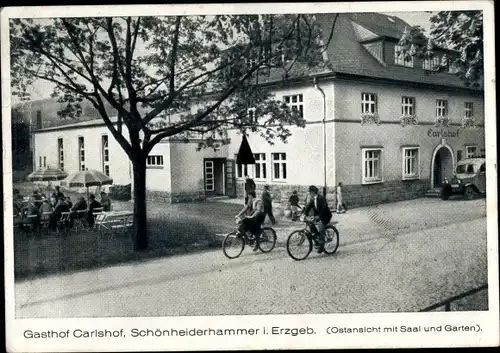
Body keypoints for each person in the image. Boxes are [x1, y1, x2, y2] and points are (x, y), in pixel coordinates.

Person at [302, 185, 333, 253]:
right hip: (318, 216)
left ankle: (321, 245)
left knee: (321, 226)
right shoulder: (313, 199)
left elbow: (324, 209)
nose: (309, 194)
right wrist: (304, 214)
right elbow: (308, 207)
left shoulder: (321, 198)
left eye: (310, 192)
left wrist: (318, 217)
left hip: (325, 216)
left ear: (313, 192)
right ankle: (317, 238)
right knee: (310, 223)